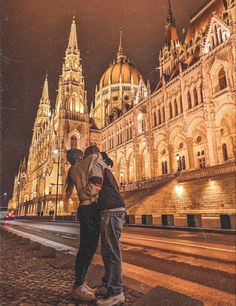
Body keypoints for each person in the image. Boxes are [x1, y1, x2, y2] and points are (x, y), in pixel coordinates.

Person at [65, 146, 107, 302]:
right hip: (89, 207)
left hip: (84, 209)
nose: (85, 157)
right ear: (78, 159)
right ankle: (78, 286)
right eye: (83, 156)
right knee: (87, 248)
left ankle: (80, 283)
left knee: (86, 248)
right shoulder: (84, 164)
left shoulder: (73, 170)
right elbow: (98, 159)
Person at [96, 152, 126, 306]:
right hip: (112, 210)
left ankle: (116, 292)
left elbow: (94, 188)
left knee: (112, 252)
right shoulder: (104, 168)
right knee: (107, 251)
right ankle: (109, 283)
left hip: (112, 211)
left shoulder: (99, 166)